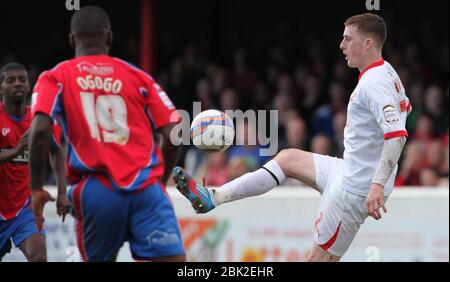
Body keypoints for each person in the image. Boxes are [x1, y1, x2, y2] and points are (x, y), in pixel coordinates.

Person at [173, 13, 411, 262]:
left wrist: (376, 186)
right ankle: (213, 197)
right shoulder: (386, 72)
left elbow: (397, 136)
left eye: (348, 39)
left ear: (367, 44)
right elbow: (405, 107)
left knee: (317, 259)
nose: (341, 45)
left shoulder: (374, 83)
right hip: (349, 171)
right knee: (287, 159)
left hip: (355, 190)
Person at [29, 6, 185, 262]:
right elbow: (173, 131)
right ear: (110, 38)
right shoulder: (138, 76)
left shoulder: (55, 77)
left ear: (71, 40)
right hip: (145, 190)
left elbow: (40, 130)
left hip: (97, 191)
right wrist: (159, 180)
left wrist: (36, 188)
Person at [0, 63, 69, 262]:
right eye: (10, 80)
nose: (17, 84)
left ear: (29, 86)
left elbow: (56, 152)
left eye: (22, 80)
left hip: (24, 209)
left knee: (39, 257)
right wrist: (14, 152)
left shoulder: (39, 120)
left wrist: (62, 193)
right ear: (1, 87)